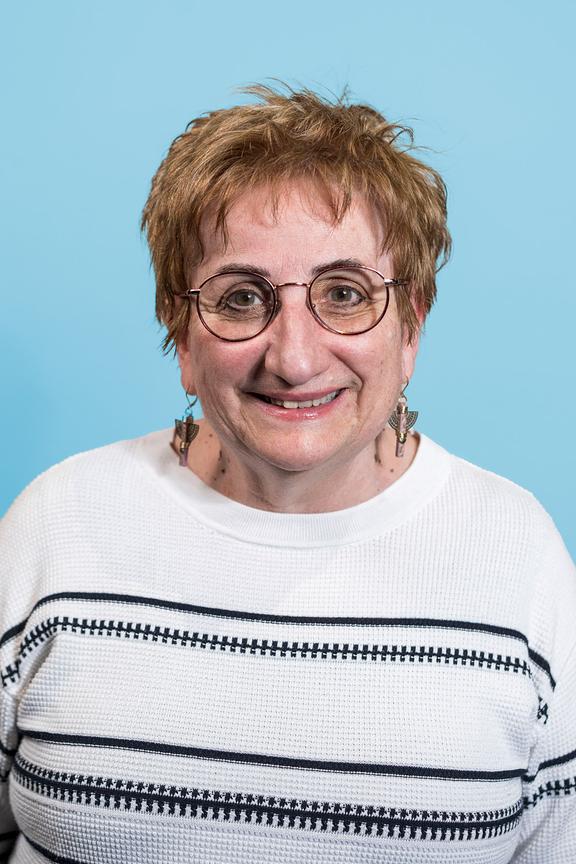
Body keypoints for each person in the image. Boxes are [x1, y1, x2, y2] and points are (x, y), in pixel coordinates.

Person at [0, 85, 574, 864]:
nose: (295, 358)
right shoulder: (54, 525)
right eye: (241, 298)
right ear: (181, 332)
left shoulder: (519, 556)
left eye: (345, 294)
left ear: (412, 327)